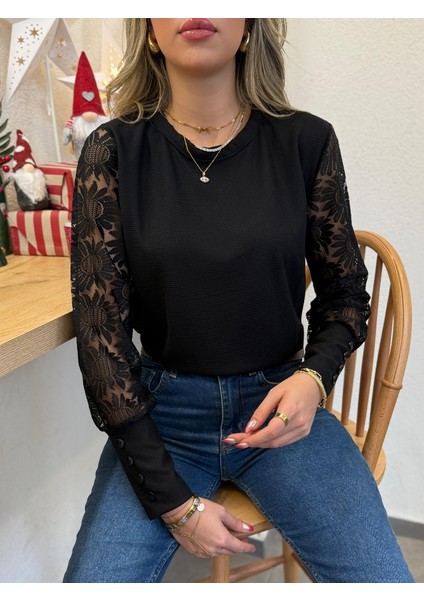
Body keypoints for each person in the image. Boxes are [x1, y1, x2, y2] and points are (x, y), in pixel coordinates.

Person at [64, 18, 414, 583]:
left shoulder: (307, 141)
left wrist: (314, 379)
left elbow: (346, 295)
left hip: (281, 409)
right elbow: (101, 339)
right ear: (149, 32)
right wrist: (175, 505)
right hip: (161, 417)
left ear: (249, 29)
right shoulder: (113, 150)